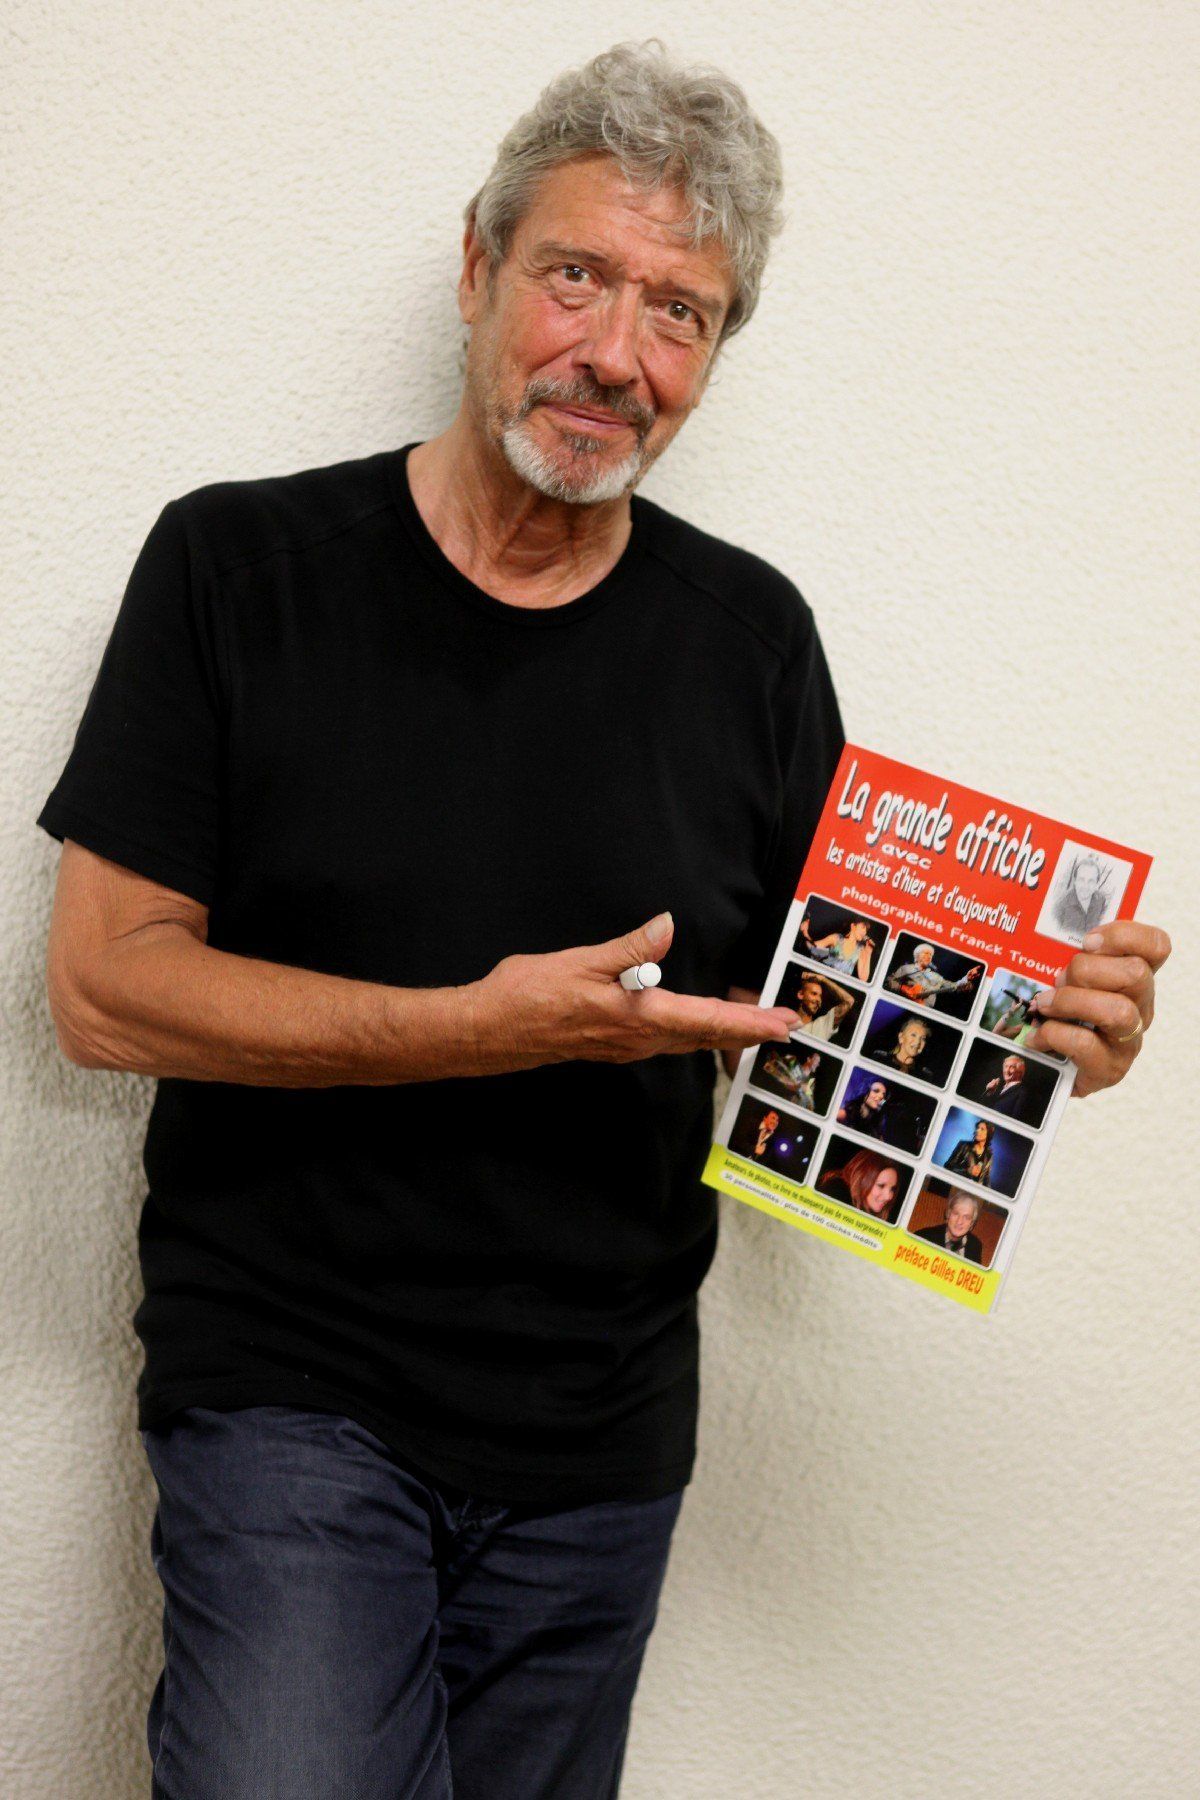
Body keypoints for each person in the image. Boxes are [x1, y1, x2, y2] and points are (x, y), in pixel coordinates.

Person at [32, 38, 1170, 1800]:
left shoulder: (752, 645)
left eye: (681, 313)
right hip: (292, 1394)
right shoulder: (235, 572)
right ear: (478, 268)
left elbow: (824, 1023)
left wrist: (1041, 1041)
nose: (618, 357)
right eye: (578, 276)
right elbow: (104, 992)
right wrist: (470, 1032)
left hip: (601, 1445)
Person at [887, 942, 982, 1009]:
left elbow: (953, 986)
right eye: (926, 953)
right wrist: (904, 988)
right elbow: (889, 981)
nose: (929, 956)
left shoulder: (936, 977)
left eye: (930, 955)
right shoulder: (906, 968)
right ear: (917, 955)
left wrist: (966, 979)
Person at [819, 1149, 903, 1222]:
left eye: (892, 1189)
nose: (888, 1197)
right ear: (862, 1179)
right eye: (881, 1186)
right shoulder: (832, 1197)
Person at [799, 912, 875, 980]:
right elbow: (813, 948)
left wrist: (869, 953)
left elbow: (863, 977)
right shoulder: (836, 938)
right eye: (863, 927)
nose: (864, 932)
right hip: (822, 978)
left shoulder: (861, 949)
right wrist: (805, 932)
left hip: (837, 985)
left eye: (866, 930)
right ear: (853, 926)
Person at [788, 969, 856, 1044]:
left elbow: (849, 1001)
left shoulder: (822, 1025)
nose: (818, 999)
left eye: (820, 996)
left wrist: (823, 979)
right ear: (800, 995)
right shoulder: (786, 1021)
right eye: (814, 994)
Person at [915, 1191, 984, 1263]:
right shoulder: (924, 1237)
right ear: (948, 1214)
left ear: (972, 1223)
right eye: (956, 1214)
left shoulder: (975, 1246)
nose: (959, 1222)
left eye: (967, 1217)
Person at [867, 1012, 938, 1083]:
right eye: (913, 1035)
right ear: (901, 1037)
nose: (918, 1042)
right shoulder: (880, 1058)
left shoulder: (925, 1075)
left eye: (923, 1038)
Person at [945, 1119, 995, 1187]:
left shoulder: (989, 1155)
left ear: (988, 1134)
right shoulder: (964, 1145)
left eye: (982, 1129)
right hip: (957, 1186)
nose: (977, 1130)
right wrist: (967, 1171)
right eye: (977, 1128)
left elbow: (986, 1178)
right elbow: (948, 1166)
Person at [982, 1054, 1032, 1122]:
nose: (1007, 1071)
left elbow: (1015, 1120)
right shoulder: (998, 1087)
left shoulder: (1022, 1092)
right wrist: (989, 1092)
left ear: (1020, 1072)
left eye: (1012, 1067)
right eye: (1006, 1066)